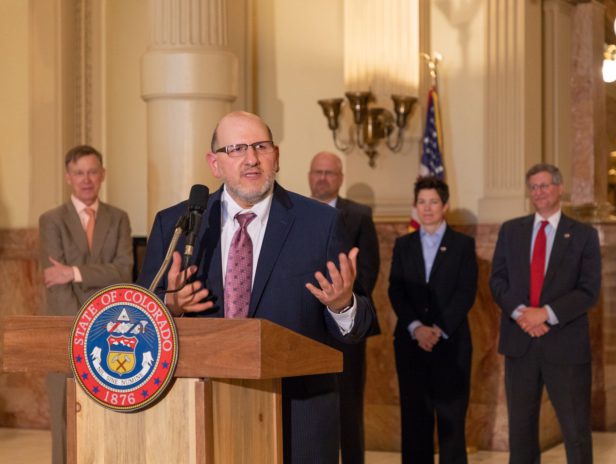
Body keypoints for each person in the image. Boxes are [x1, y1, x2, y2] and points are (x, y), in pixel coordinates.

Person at [137, 111, 375, 464]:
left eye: (261, 147)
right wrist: (168, 307)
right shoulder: (177, 225)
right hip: (199, 411)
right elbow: (141, 320)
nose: (251, 158)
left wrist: (342, 306)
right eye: (236, 149)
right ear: (214, 163)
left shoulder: (320, 223)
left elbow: (358, 324)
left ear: (276, 157)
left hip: (298, 417)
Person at [489, 163, 601, 464]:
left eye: (545, 185)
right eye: (533, 187)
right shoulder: (511, 230)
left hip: (565, 345)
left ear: (559, 188)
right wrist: (524, 314)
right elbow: (497, 281)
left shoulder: (583, 235)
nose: (539, 192)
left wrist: (547, 314)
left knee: (575, 429)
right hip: (520, 343)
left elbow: (589, 290)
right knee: (521, 431)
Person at [39, 144, 134, 464]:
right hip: (64, 331)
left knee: (107, 417)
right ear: (68, 177)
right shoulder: (51, 220)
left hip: (110, 332)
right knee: (64, 418)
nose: (86, 179)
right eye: (79, 173)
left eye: (93, 172)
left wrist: (75, 272)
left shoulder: (119, 219)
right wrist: (84, 329)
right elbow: (55, 283)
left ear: (103, 175)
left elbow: (123, 273)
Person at [388, 176, 478, 464]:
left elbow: (466, 292)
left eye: (434, 202)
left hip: (451, 346)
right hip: (411, 345)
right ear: (415, 207)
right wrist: (416, 328)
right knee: (415, 422)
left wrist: (437, 329)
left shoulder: (463, 245)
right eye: (422, 202)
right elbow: (395, 290)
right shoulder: (404, 245)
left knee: (451, 423)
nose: (427, 208)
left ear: (445, 206)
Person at [308, 151, 381, 464]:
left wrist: (342, 307)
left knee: (349, 403)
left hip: (346, 323)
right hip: (304, 325)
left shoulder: (359, 215)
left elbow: (368, 270)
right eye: (318, 172)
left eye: (330, 173)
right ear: (309, 176)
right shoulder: (295, 210)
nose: (323, 178)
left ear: (340, 178)